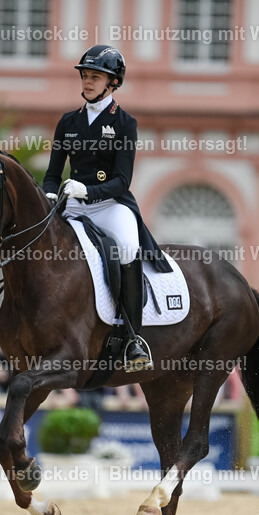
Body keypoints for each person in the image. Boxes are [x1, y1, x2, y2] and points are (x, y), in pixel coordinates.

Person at [42, 44, 172, 373]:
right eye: (85, 76)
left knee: (127, 249)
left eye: (95, 77)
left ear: (112, 83)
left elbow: (122, 180)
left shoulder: (125, 123)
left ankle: (132, 338)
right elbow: (53, 175)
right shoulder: (68, 122)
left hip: (110, 205)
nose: (87, 82)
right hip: (73, 205)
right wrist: (47, 195)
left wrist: (88, 190)